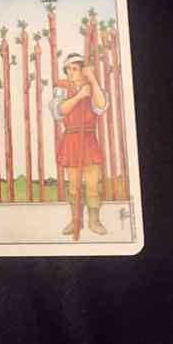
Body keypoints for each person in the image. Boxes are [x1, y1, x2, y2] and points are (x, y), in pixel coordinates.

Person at [49, 53, 108, 236]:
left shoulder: (92, 86)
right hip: (71, 140)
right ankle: (76, 221)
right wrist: (79, 96)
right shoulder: (62, 88)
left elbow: (101, 106)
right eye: (68, 69)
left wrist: (92, 80)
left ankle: (94, 221)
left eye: (75, 68)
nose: (70, 72)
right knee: (74, 186)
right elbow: (59, 110)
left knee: (92, 184)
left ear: (83, 70)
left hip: (88, 140)